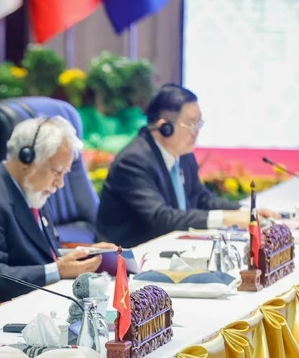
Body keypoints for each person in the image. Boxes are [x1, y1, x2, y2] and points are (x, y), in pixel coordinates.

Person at [96, 84, 280, 247]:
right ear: (165, 127)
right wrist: (225, 218)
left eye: (199, 123)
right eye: (191, 124)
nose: (197, 132)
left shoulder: (183, 154)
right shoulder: (134, 161)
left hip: (171, 248)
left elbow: (200, 197)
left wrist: (244, 212)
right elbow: (161, 218)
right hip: (130, 258)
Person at [0, 117, 111, 302]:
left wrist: (86, 254)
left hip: (40, 300)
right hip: (1, 309)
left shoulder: (34, 192)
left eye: (64, 174)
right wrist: (57, 270)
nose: (60, 183)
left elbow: (43, 254)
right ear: (26, 158)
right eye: (56, 172)